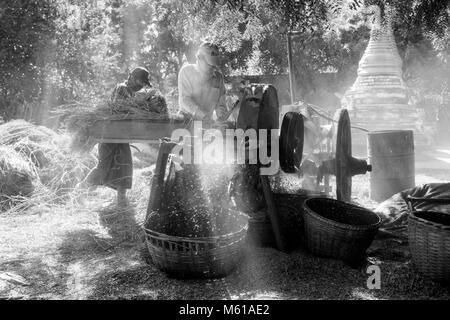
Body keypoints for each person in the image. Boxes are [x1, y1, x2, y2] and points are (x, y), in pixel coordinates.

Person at [87, 67, 151, 205]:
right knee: (104, 166)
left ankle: (121, 200)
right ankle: (83, 191)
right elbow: (120, 111)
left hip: (120, 136)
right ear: (132, 78)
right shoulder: (122, 89)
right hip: (109, 134)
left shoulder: (131, 92)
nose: (141, 86)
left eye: (143, 84)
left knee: (125, 166)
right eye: (140, 82)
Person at [178, 42, 228, 124]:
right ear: (199, 58)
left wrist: (222, 117)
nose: (212, 68)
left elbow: (220, 104)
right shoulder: (187, 72)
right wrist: (202, 116)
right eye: (209, 65)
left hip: (207, 126)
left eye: (214, 66)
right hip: (185, 124)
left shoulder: (218, 78)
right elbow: (185, 100)